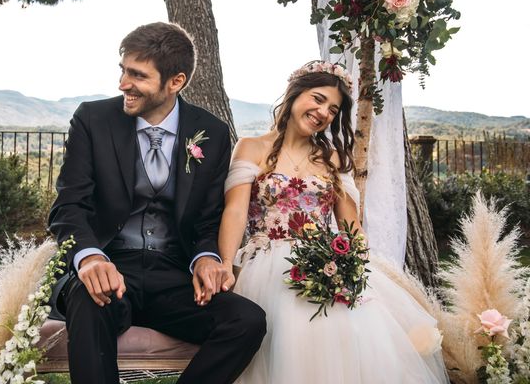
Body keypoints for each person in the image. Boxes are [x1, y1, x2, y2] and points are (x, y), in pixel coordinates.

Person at [49, 22, 266, 384]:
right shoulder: (93, 119)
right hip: (111, 264)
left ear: (175, 82)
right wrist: (89, 257)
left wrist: (207, 257)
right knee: (90, 301)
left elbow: (207, 219)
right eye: (123, 70)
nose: (123, 84)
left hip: (174, 277)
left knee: (247, 321)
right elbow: (69, 206)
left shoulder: (210, 131)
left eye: (137, 75)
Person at [217, 60, 449, 383]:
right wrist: (226, 264)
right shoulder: (252, 147)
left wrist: (353, 267)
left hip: (326, 264)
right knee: (287, 330)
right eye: (318, 98)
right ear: (295, 94)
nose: (324, 112)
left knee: (351, 337)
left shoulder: (333, 159)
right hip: (266, 265)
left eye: (333, 109)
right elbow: (236, 211)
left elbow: (350, 225)